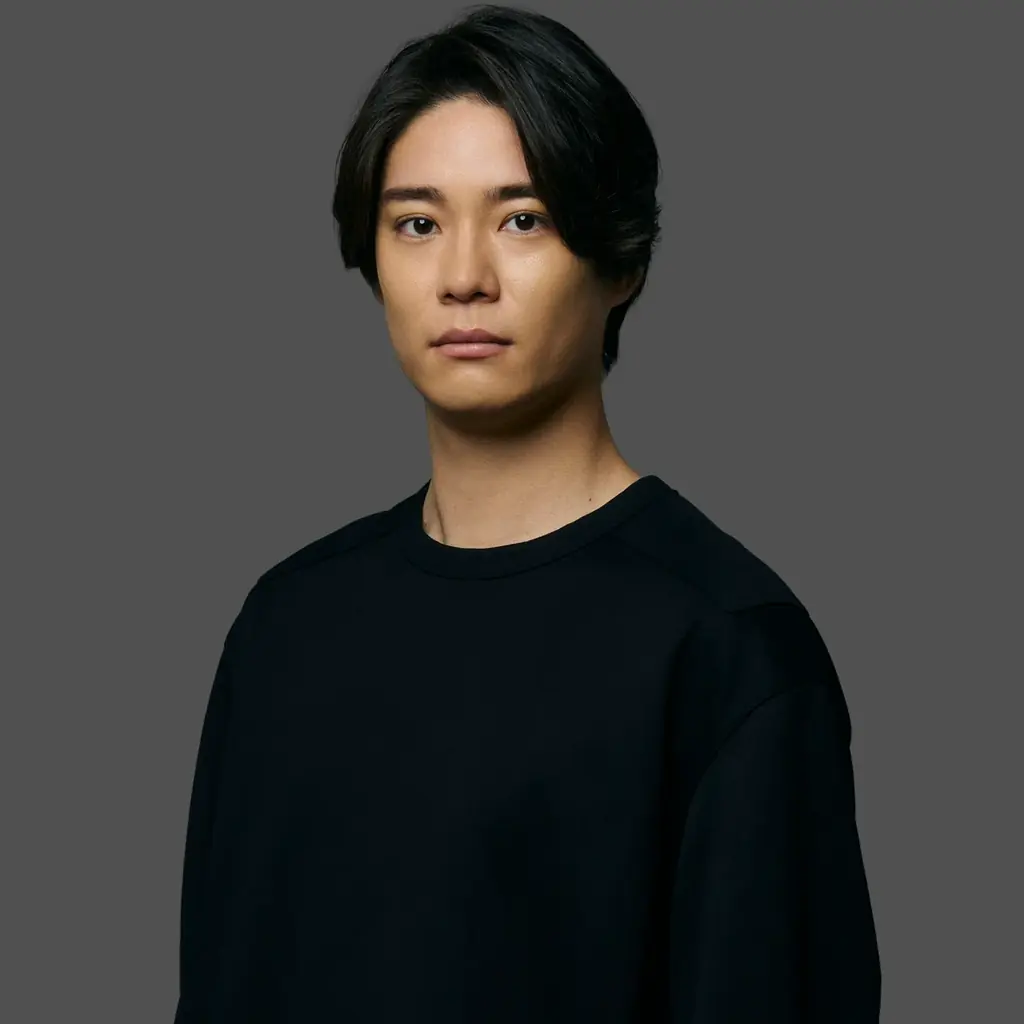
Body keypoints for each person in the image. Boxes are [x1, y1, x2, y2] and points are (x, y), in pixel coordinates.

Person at [172, 5, 881, 1021]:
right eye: (418, 223)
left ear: (622, 261)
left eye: (523, 219)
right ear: (373, 259)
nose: (463, 278)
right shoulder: (283, 625)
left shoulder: (726, 651)